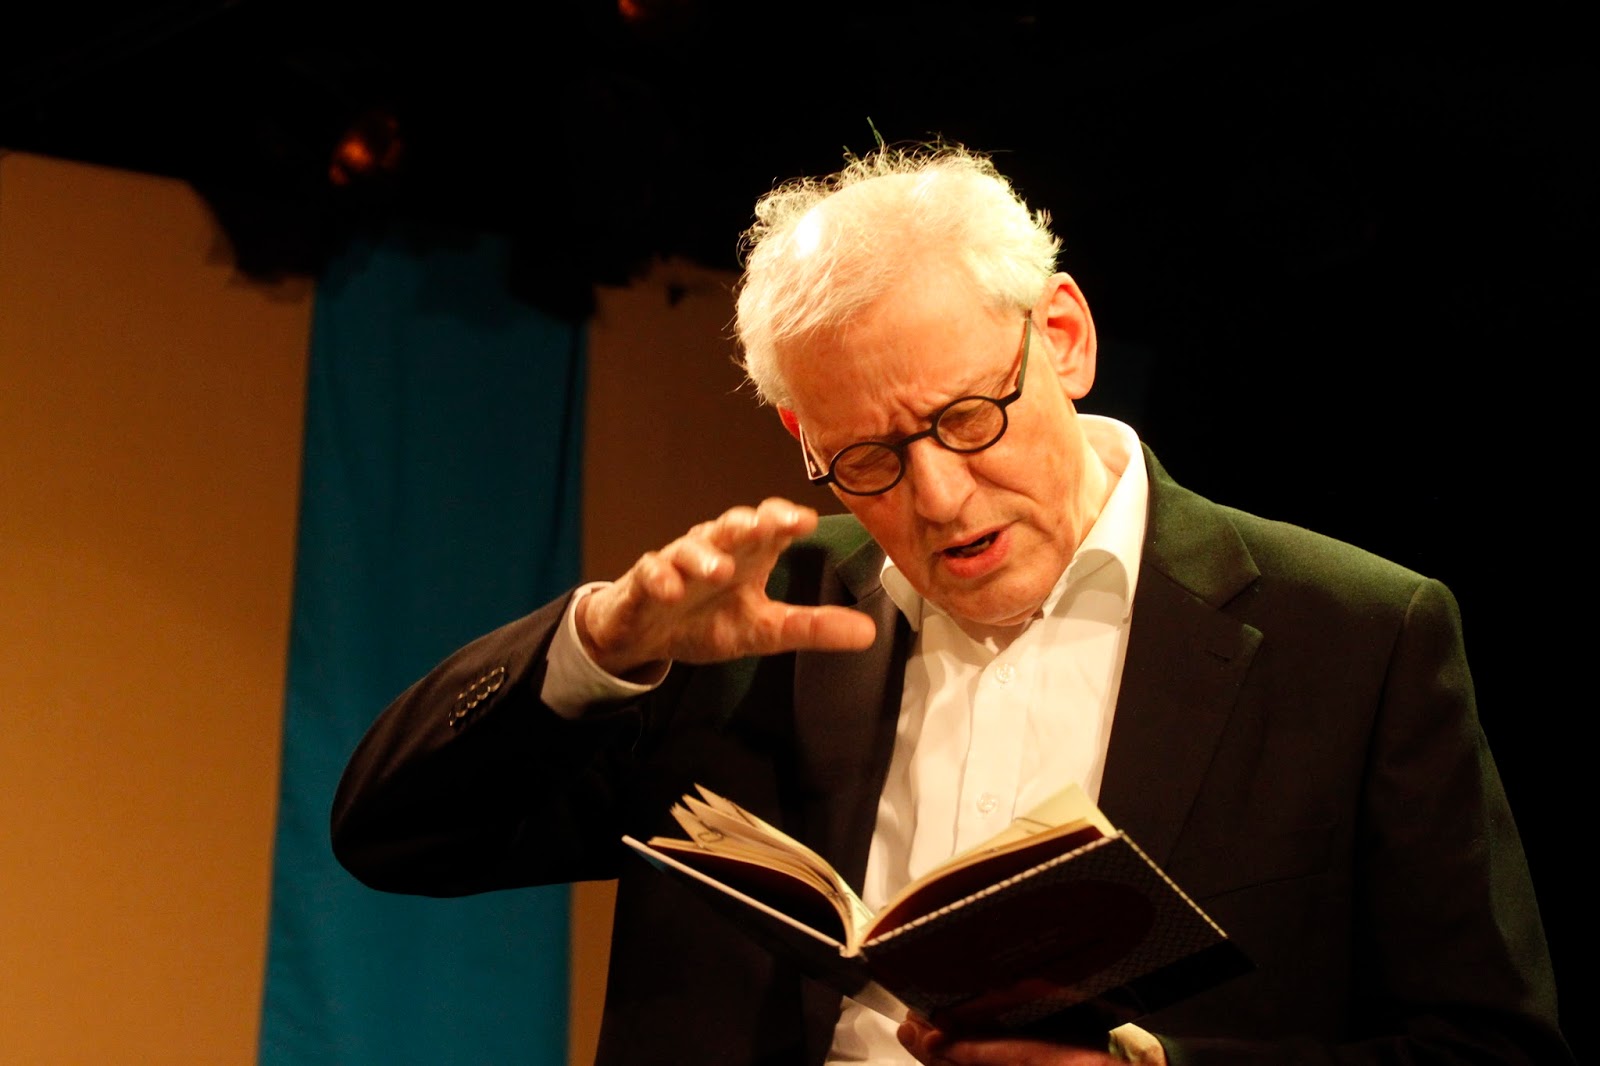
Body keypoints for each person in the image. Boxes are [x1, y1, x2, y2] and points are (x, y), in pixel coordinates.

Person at [331, 143, 1569, 1065]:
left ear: (1063, 338)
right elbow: (395, 837)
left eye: (967, 417)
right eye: (863, 458)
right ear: (801, 432)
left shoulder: (1354, 634)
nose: (934, 496)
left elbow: (1486, 1050)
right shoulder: (743, 619)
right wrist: (599, 643)